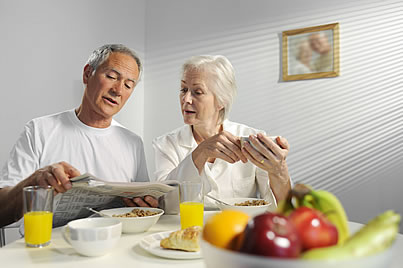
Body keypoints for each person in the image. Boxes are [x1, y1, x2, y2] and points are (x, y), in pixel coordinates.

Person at [0, 44, 157, 228]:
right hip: (46, 249)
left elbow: (141, 211)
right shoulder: (39, 130)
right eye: (112, 77)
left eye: (128, 85)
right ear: (87, 74)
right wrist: (34, 182)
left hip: (111, 247)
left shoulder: (133, 142)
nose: (118, 90)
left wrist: (148, 205)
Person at [153, 55, 292, 209]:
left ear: (221, 101)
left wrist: (279, 171)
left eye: (197, 92)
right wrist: (200, 153)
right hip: (188, 230)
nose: (186, 99)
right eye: (184, 89)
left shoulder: (252, 140)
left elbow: (280, 207)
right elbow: (166, 204)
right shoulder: (166, 144)